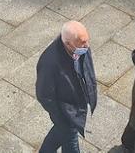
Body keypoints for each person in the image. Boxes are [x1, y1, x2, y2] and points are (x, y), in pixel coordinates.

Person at [35, 20, 98, 153]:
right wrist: (61, 117)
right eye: (82, 43)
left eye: (87, 40)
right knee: (70, 140)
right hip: (66, 111)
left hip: (77, 104)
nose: (87, 45)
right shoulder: (49, 63)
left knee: (59, 132)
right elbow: (44, 95)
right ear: (68, 44)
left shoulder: (81, 47)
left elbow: (87, 69)